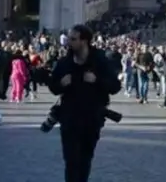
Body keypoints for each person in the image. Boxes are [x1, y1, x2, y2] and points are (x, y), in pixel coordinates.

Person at [47, 24, 122, 182]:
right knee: (71, 160)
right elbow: (53, 87)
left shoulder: (101, 61)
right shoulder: (64, 62)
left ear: (84, 41)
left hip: (92, 118)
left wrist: (97, 81)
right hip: (69, 118)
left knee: (85, 160)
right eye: (68, 38)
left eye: (73, 39)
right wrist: (61, 84)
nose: (69, 42)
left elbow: (115, 87)